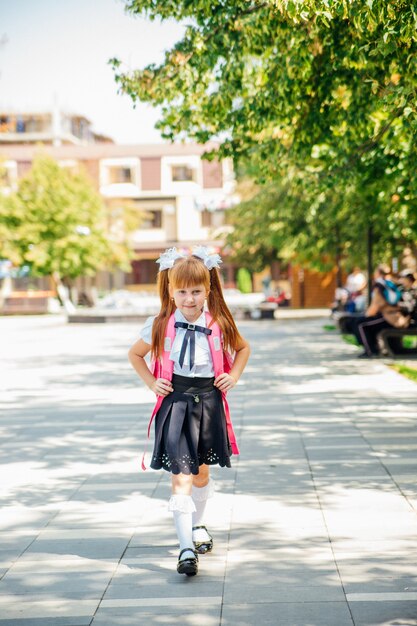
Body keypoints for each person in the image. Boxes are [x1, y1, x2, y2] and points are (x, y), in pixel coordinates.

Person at [128, 246, 250, 577]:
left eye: (196, 291)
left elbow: (242, 349)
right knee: (180, 477)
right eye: (181, 291)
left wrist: (233, 376)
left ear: (207, 289)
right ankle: (185, 548)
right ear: (170, 290)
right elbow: (135, 355)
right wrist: (152, 382)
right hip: (176, 404)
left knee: (201, 473)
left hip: (209, 402)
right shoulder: (158, 324)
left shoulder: (220, 322)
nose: (189, 298)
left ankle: (198, 526)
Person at [353, 264, 410, 358]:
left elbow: (376, 306)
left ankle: (370, 351)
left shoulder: (380, 286)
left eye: (375, 272)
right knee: (365, 323)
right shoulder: (391, 284)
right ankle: (375, 348)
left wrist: (366, 315)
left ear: (378, 273)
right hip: (396, 316)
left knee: (360, 324)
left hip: (390, 317)